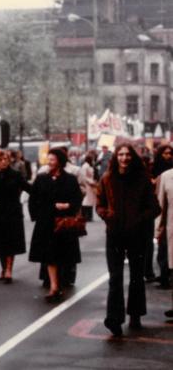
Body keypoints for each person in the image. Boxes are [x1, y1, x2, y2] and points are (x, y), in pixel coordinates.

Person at [97, 143, 160, 336]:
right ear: (116, 158)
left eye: (127, 155)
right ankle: (114, 319)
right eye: (121, 155)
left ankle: (135, 314)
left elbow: (155, 208)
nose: (124, 158)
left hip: (137, 235)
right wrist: (108, 215)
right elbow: (99, 204)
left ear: (132, 157)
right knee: (115, 278)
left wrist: (139, 220)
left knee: (136, 277)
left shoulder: (142, 180)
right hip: (114, 234)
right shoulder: (107, 179)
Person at [28, 148, 83, 303]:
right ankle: (54, 287)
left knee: (63, 256)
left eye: (52, 159)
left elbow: (77, 199)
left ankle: (61, 283)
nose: (49, 162)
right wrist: (39, 215)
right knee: (50, 256)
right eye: (48, 159)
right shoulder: (41, 179)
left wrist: (68, 206)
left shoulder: (70, 179)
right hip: (46, 223)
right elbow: (34, 199)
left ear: (59, 161)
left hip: (64, 223)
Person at [0, 149, 31, 284]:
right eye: (0, 160)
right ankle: (3, 267)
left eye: (6, 159)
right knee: (0, 242)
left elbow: (28, 188)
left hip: (12, 212)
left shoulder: (16, 175)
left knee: (11, 241)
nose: (4, 162)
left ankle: (9, 269)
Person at [153, 144, 173, 289]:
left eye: (170, 153)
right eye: (165, 153)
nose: (168, 156)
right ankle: (164, 277)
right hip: (169, 225)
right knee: (164, 254)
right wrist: (158, 229)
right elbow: (162, 205)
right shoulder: (166, 175)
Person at [78, 151, 98, 222]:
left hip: (90, 185)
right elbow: (84, 176)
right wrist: (90, 181)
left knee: (90, 201)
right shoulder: (85, 166)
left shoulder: (89, 166)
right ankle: (86, 216)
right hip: (87, 185)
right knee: (86, 201)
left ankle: (89, 215)